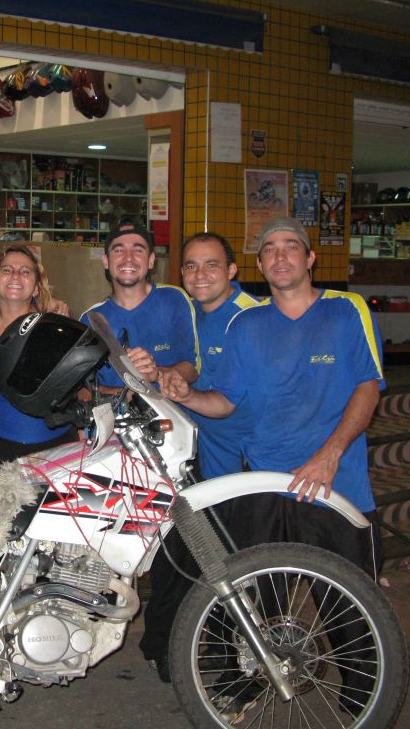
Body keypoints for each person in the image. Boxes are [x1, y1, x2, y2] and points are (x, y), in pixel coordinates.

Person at [159, 216, 384, 716]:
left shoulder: (347, 311)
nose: (280, 257)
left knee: (349, 605)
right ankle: (253, 678)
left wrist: (329, 454)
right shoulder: (248, 324)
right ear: (259, 265)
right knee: (255, 600)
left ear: (309, 258)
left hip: (334, 484)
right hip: (264, 482)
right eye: (270, 251)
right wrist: (189, 394)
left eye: (290, 247)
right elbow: (228, 402)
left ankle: (367, 691)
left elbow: (368, 387)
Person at [138, 231, 259, 681]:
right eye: (191, 265)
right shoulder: (196, 315)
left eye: (211, 264)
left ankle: (240, 672)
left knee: (239, 574)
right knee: (182, 559)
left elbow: (225, 400)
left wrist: (183, 391)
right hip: (204, 462)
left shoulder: (251, 318)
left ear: (231, 270)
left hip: (248, 465)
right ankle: (167, 648)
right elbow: (188, 373)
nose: (200, 274)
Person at [0, 245, 76, 480]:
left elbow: (77, 390)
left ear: (37, 286)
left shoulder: (55, 329)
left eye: (25, 271)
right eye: (7, 269)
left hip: (55, 449)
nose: (16, 276)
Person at [80, 217, 199, 388]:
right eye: (119, 251)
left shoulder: (174, 300)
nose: (128, 258)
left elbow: (192, 369)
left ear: (151, 260)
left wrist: (157, 373)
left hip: (169, 413)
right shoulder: (91, 319)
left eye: (138, 250)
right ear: (106, 261)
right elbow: (85, 386)